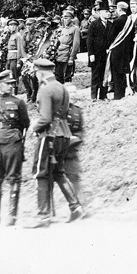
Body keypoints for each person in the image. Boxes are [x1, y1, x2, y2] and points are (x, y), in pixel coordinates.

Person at [23, 59, 86, 228]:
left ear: (40, 72)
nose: (36, 76)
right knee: (58, 172)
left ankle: (43, 216)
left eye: (36, 73)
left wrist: (33, 127)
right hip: (64, 134)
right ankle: (76, 207)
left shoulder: (45, 89)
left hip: (49, 135)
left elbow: (45, 118)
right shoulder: (62, 88)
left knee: (41, 173)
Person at [0, 70, 30, 226]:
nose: (11, 86)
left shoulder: (18, 102)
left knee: (13, 177)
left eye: (12, 83)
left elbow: (25, 123)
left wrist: (15, 137)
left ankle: (11, 215)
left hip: (12, 142)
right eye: (8, 83)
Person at [87, 5, 115, 100]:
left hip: (106, 54)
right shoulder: (94, 24)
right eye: (106, 11)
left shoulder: (111, 25)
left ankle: (103, 95)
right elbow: (89, 40)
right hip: (96, 54)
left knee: (105, 74)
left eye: (109, 12)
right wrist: (91, 54)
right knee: (95, 74)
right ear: (100, 13)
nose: (108, 13)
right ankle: (94, 96)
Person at [107, 1, 129, 99]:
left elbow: (111, 37)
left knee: (116, 73)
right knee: (123, 72)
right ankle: (123, 93)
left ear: (119, 9)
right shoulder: (130, 21)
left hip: (117, 51)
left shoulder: (117, 21)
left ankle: (117, 95)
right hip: (126, 50)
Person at [54, 8, 81, 84]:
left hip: (67, 55)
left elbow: (76, 44)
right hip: (58, 55)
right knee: (58, 77)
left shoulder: (75, 29)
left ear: (72, 19)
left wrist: (71, 58)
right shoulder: (61, 29)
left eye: (66, 18)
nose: (64, 19)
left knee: (67, 78)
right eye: (63, 17)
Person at [6, 19, 27, 95]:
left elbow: (20, 48)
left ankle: (15, 91)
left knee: (14, 74)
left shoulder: (18, 36)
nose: (12, 27)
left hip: (15, 57)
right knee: (9, 74)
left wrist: (18, 61)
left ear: (17, 27)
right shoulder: (11, 35)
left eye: (14, 25)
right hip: (10, 57)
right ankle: (10, 89)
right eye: (11, 25)